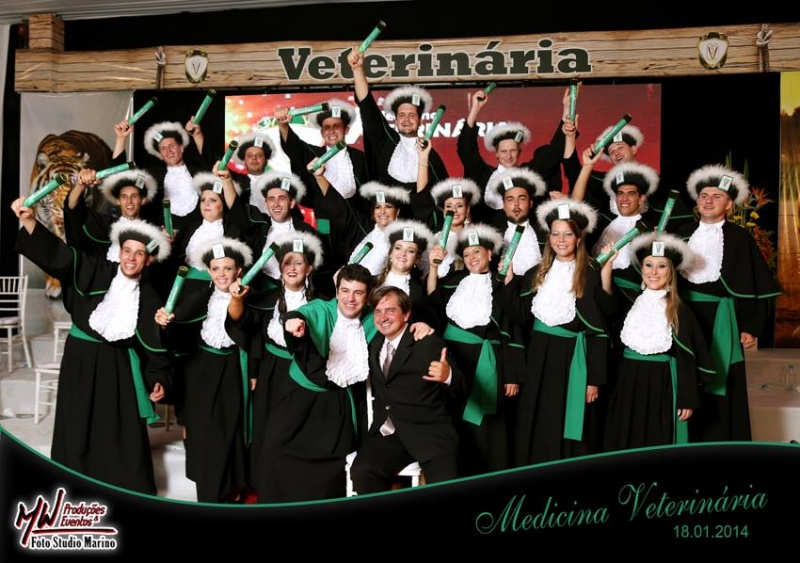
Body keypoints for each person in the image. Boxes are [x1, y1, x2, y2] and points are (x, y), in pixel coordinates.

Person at [13, 197, 172, 495]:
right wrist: (30, 221)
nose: (131, 258)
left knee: (119, 430)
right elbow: (60, 256)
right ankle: (73, 489)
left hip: (119, 366)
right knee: (77, 425)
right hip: (81, 360)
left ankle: (122, 490)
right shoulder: (95, 269)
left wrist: (159, 378)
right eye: (127, 251)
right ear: (120, 251)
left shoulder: (150, 295)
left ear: (148, 260)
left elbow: (153, 346)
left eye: (139, 253)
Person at [499, 198, 613, 465]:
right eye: (555, 234)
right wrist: (508, 280)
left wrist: (593, 379)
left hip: (574, 358)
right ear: (549, 238)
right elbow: (520, 315)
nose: (561, 240)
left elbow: (601, 326)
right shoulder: (536, 272)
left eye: (568, 234)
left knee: (571, 420)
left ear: (579, 238)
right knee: (538, 415)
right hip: (538, 356)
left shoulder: (590, 273)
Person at [677, 164, 783, 442]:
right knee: (686, 379)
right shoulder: (681, 234)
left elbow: (758, 288)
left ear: (729, 204)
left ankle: (720, 444)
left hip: (721, 322)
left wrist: (750, 327)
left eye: (717, 196)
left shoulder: (740, 238)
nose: (708, 201)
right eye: (704, 195)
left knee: (721, 384)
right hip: (684, 317)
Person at [228, 230, 326, 502]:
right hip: (271, 371)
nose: (292, 268)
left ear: (309, 268)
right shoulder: (266, 299)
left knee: (300, 429)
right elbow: (242, 326)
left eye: (298, 262)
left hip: (305, 373)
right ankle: (267, 486)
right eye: (287, 262)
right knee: (268, 429)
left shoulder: (322, 301)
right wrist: (236, 300)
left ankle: (298, 485)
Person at [155, 237, 254, 503]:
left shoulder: (248, 299)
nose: (222, 274)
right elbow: (175, 330)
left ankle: (227, 494)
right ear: (208, 271)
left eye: (228, 268)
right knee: (203, 437)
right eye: (216, 268)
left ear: (239, 271)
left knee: (228, 434)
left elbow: (246, 330)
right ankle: (209, 497)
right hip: (199, 373)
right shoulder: (198, 298)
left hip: (232, 370)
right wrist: (163, 322)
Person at [271, 263, 378, 501]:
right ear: (337, 291)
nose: (350, 298)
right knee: (276, 449)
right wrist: (293, 322)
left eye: (358, 292)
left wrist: (420, 326)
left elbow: (398, 321)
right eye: (345, 291)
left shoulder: (373, 319)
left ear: (367, 295)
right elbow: (301, 314)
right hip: (300, 399)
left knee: (333, 465)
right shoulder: (321, 308)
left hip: (338, 404)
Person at [603, 232, 714, 451]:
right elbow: (606, 306)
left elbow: (687, 358)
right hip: (628, 383)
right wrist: (607, 266)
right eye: (649, 265)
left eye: (661, 266)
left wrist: (686, 398)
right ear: (641, 269)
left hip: (662, 384)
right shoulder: (630, 302)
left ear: (671, 272)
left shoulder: (680, 311)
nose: (653, 272)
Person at [427, 223, 524, 475]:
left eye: (477, 252)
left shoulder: (501, 283)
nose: (471, 258)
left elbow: (513, 327)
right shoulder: (456, 280)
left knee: (487, 425)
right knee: (456, 421)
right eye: (467, 254)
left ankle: (490, 477)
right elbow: (433, 298)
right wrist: (434, 268)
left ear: (489, 254)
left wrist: (512, 375)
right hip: (455, 362)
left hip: (486, 362)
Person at [350, 285, 464, 494]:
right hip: (391, 433)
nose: (383, 317)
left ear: (406, 314)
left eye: (390, 310)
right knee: (362, 471)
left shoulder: (427, 342)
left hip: (429, 433)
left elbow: (462, 387)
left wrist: (448, 375)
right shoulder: (373, 344)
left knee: (447, 490)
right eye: (378, 311)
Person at [347, 46, 447, 230]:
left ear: (420, 120)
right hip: (386, 225)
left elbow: (443, 199)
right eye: (402, 115)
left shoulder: (431, 156)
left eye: (412, 115)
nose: (406, 120)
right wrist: (358, 69)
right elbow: (367, 106)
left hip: (421, 230)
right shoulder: (386, 141)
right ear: (395, 119)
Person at [456, 86, 577, 222]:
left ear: (519, 152)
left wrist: (566, 111)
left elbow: (553, 153)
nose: (508, 156)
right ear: (496, 153)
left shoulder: (528, 173)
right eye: (503, 151)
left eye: (513, 151)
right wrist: (475, 109)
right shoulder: (483, 174)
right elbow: (466, 150)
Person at [275, 98, 370, 219]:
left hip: (357, 219)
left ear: (346, 130)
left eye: (336, 126)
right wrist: (283, 125)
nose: (332, 131)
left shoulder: (360, 157)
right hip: (323, 219)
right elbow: (292, 146)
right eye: (327, 127)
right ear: (322, 132)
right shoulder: (313, 153)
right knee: (323, 231)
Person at [63, 166, 158, 261]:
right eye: (124, 197)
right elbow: (73, 210)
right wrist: (81, 185)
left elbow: (156, 251)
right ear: (118, 201)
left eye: (134, 196)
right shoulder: (105, 225)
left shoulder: (152, 233)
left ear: (142, 200)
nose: (129, 201)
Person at [136, 119, 212, 231]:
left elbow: (212, 166)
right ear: (160, 155)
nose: (168, 151)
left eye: (171, 145)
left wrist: (198, 135)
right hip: (167, 236)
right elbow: (132, 185)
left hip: (199, 233)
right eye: (163, 148)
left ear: (181, 148)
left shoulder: (198, 173)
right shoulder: (152, 176)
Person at [328, 181, 411, 276]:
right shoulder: (369, 236)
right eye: (378, 207)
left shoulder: (404, 238)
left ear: (397, 212)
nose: (382, 211)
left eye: (388, 207)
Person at [376, 218, 441, 331]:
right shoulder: (372, 282)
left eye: (410, 251)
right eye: (398, 248)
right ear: (390, 254)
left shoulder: (417, 294)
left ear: (417, 259)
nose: (403, 254)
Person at [484, 167, 548, 277]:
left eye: (522, 198)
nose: (516, 204)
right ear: (503, 205)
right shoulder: (490, 237)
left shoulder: (545, 232)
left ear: (530, 203)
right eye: (510, 199)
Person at [428, 177, 482, 278]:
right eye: (449, 206)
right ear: (444, 211)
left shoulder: (477, 237)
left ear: (467, 210)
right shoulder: (435, 239)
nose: (454, 210)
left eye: (459, 206)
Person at [228, 130, 278, 215]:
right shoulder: (234, 179)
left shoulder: (278, 182)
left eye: (259, 155)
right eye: (249, 155)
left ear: (266, 160)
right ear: (244, 160)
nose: (254, 158)